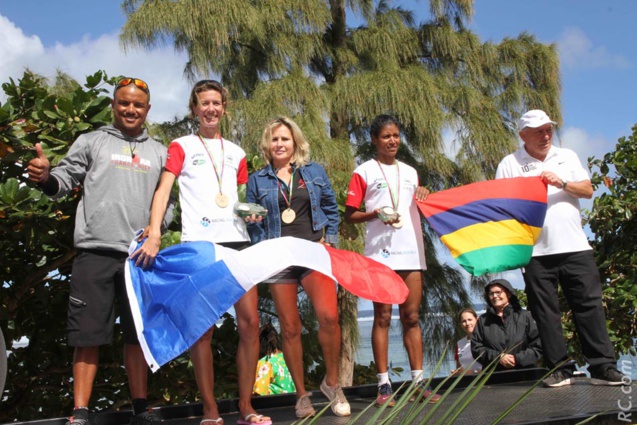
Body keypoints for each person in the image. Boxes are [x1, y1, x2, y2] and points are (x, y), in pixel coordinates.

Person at [27, 77, 166, 425]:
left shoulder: (160, 152)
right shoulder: (91, 141)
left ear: (147, 110)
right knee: (87, 335)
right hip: (94, 253)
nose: (130, 109)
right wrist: (45, 177)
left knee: (138, 337)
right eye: (124, 103)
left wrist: (157, 226)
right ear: (113, 106)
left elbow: (167, 205)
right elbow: (63, 181)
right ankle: (80, 413)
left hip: (140, 258)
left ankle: (140, 410)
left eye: (137, 105)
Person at [131, 80, 269, 425]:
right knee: (202, 329)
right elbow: (163, 191)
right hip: (200, 246)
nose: (211, 109)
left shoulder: (237, 152)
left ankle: (246, 406)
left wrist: (249, 214)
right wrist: (156, 231)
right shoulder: (180, 146)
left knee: (250, 325)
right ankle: (209, 409)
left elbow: (237, 199)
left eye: (217, 103)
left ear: (224, 107)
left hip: (237, 243)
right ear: (194, 109)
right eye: (204, 103)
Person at [495, 109, 628, 387]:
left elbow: (588, 190)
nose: (545, 136)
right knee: (545, 313)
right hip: (535, 252)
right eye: (537, 132)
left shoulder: (567, 156)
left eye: (548, 130)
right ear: (523, 135)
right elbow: (501, 205)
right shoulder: (509, 163)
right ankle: (559, 368)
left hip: (575, 247)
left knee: (589, 307)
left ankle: (603, 368)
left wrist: (562, 182)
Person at [246, 116, 351, 419]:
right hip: (279, 256)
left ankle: (332, 384)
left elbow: (331, 207)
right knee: (290, 327)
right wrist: (258, 236)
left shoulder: (313, 171)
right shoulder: (257, 179)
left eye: (285, 139)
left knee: (329, 318)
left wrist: (329, 242)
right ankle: (302, 395)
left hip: (312, 253)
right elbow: (252, 221)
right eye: (274, 139)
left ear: (295, 143)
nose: (280, 144)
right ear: (268, 144)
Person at [344, 114, 440, 407]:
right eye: (386, 136)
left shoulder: (411, 172)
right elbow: (350, 215)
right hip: (380, 255)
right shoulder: (364, 171)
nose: (392, 141)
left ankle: (418, 382)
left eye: (396, 135)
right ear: (374, 140)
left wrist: (423, 192)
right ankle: (384, 385)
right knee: (382, 317)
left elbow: (418, 201)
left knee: (411, 317)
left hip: (410, 251)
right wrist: (376, 213)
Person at [470, 280, 542, 372]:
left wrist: (517, 359)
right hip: (493, 377)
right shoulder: (483, 321)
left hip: (524, 374)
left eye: (498, 292)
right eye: (491, 293)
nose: (495, 296)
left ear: (509, 294)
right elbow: (476, 348)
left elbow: (537, 345)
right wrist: (498, 357)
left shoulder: (525, 316)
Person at [253, 323, 296, 396]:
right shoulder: (288, 359)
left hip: (274, 405)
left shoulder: (265, 363)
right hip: (294, 404)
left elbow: (259, 394)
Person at [450, 308, 482, 376]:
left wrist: (472, 372)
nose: (467, 323)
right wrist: (456, 373)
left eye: (470, 320)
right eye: (464, 321)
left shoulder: (486, 340)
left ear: (477, 319)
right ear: (461, 324)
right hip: (466, 383)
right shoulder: (459, 344)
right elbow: (459, 368)